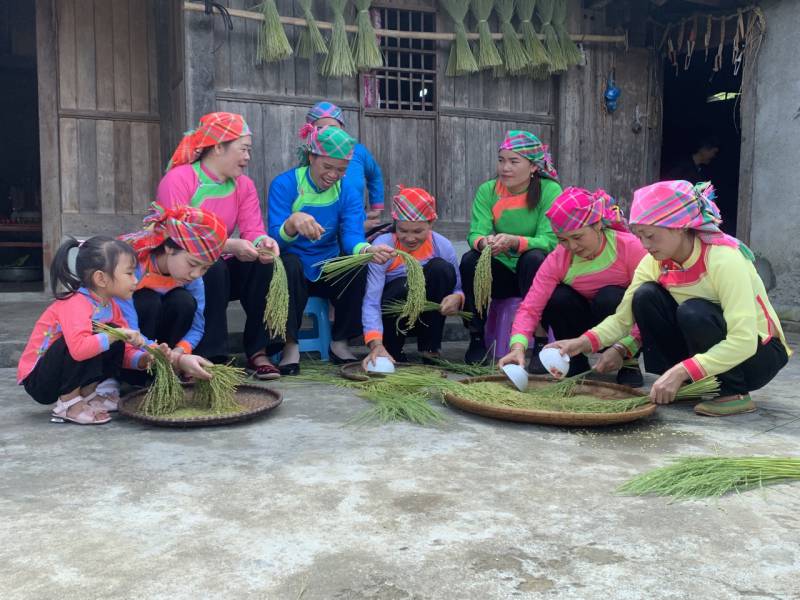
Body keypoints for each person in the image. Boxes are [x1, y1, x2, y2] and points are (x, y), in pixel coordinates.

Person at [549, 181, 791, 416]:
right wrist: (580, 343)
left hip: (759, 354)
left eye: (651, 236)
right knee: (646, 297)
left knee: (693, 311)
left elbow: (744, 340)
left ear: (680, 227)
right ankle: (687, 384)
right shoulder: (653, 262)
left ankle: (733, 393)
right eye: (639, 236)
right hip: (715, 348)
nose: (644, 244)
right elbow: (623, 319)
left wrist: (684, 369)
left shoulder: (723, 259)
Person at [156, 111, 283, 379]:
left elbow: (253, 230)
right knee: (211, 267)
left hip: (223, 267)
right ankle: (210, 355)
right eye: (244, 149)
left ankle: (258, 350)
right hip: (185, 269)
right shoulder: (179, 179)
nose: (248, 157)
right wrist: (227, 246)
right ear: (217, 147)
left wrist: (263, 243)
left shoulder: (243, 186)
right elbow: (175, 235)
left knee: (265, 266)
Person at [267, 124, 394, 372]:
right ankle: (290, 345)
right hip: (294, 264)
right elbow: (274, 241)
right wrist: (292, 224)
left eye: (341, 170)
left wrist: (366, 250)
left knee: (355, 266)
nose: (333, 175)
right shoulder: (285, 184)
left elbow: (352, 236)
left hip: (327, 262)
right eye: (327, 167)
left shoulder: (347, 190)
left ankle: (340, 342)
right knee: (288, 265)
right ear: (311, 157)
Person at [498, 187, 646, 386]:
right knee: (557, 297)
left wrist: (624, 347)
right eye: (563, 240)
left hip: (619, 325)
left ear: (598, 225)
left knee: (612, 296)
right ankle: (574, 360)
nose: (572, 247)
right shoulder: (559, 258)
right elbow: (530, 307)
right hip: (580, 327)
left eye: (577, 237)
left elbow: (645, 303)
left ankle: (629, 360)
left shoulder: (629, 247)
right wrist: (517, 348)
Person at [17, 237, 149, 424]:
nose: (136, 280)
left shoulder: (111, 306)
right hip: (40, 381)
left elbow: (123, 349)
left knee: (114, 333)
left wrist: (142, 359)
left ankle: (88, 395)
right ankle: (68, 403)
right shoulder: (75, 303)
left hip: (63, 374)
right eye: (129, 274)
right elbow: (78, 350)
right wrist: (112, 334)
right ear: (101, 278)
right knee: (99, 335)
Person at [460, 130, 562, 364]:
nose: (505, 168)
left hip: (536, 274)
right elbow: (476, 232)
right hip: (504, 274)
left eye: (514, 162)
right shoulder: (488, 190)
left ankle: (541, 340)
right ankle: (477, 336)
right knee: (470, 260)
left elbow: (550, 241)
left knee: (534, 257)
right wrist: (486, 243)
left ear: (534, 167)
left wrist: (515, 242)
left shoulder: (550, 190)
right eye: (501, 160)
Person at [118, 204, 228, 384]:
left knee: (183, 301)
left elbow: (197, 325)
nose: (195, 274)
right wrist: (158, 352)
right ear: (169, 248)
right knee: (148, 300)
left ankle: (164, 373)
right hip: (130, 338)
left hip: (165, 350)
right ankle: (132, 378)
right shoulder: (133, 267)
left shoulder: (194, 279)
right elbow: (125, 325)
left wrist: (179, 352)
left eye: (205, 268)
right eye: (192, 264)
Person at [361, 186, 464, 367]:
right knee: (403, 284)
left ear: (431, 224)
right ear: (395, 224)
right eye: (403, 230)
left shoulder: (442, 246)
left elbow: (457, 286)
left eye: (418, 231)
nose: (409, 238)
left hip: (426, 313)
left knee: (441, 269)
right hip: (394, 313)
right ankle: (392, 349)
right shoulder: (384, 247)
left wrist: (458, 297)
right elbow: (372, 300)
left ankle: (430, 349)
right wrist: (375, 343)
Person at [305, 101, 385, 231]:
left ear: (342, 128)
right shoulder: (310, 157)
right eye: (320, 128)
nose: (328, 132)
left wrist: (376, 206)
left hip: (357, 224)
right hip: (325, 230)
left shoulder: (358, 152)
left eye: (332, 127)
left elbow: (375, 175)